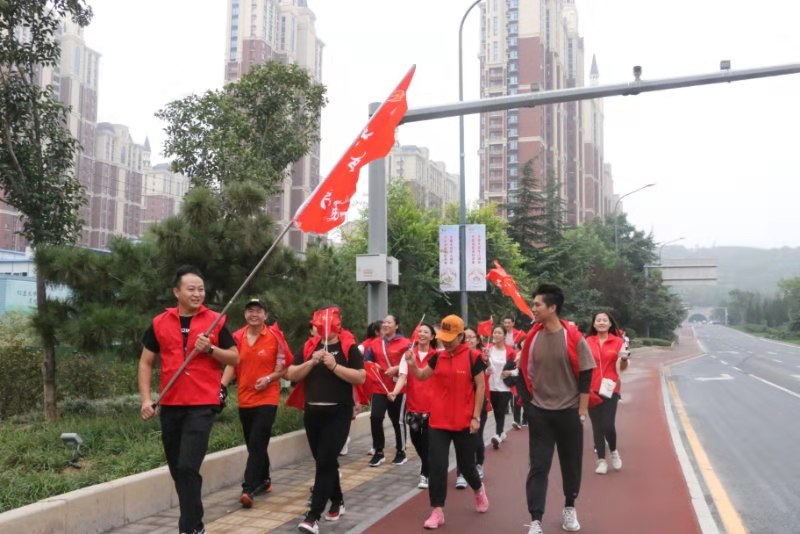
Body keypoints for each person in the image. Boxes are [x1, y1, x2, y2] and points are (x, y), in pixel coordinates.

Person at [138, 265, 239, 534]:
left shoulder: (216, 320)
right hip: (170, 405)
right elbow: (146, 362)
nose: (197, 294)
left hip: (202, 405)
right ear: (177, 292)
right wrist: (146, 399)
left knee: (187, 466)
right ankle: (195, 524)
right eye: (191, 289)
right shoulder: (160, 323)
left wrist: (211, 349)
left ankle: (190, 528)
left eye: (201, 289)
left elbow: (235, 357)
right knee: (178, 470)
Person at [519, 284, 596, 534]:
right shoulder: (532, 338)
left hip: (569, 412)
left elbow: (586, 374)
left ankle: (569, 507)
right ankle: (536, 520)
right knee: (538, 467)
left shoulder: (572, 337)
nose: (533, 308)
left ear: (552, 308)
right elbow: (522, 372)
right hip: (540, 413)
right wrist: (529, 406)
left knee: (570, 464)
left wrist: (581, 411)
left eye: (537, 305)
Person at [287, 305, 366, 534]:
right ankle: (337, 500)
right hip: (312, 413)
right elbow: (291, 374)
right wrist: (311, 362)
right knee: (326, 462)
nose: (323, 330)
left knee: (324, 462)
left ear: (337, 325)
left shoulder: (348, 346)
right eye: (319, 326)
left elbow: (360, 377)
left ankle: (313, 517)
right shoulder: (309, 346)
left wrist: (334, 366)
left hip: (339, 413)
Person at [406, 315, 489, 529]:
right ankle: (437, 510)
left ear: (461, 336)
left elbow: (480, 387)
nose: (446, 341)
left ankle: (478, 489)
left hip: (464, 422)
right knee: (437, 466)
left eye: (451, 338)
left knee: (467, 466)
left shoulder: (473, 357)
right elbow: (422, 376)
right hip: (438, 421)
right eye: (443, 337)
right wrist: (412, 364)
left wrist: (476, 417)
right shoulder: (437, 357)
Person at [222, 298, 291, 508]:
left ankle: (248, 488)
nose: (254, 314)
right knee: (254, 443)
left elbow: (283, 369)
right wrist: (222, 387)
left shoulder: (275, 337)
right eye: (250, 311)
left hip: (268, 398)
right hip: (245, 398)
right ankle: (265, 480)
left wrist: (269, 378)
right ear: (245, 315)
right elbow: (231, 365)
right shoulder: (237, 337)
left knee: (258, 441)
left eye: (258, 311)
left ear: (265, 315)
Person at [388, 322, 437, 489]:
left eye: (426, 332)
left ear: (432, 336)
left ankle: (425, 474)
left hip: (432, 407)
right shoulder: (408, 355)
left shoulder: (436, 356)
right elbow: (402, 377)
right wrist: (395, 392)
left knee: (428, 441)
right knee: (416, 440)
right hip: (414, 405)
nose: (422, 334)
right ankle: (429, 463)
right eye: (420, 331)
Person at [585, 311, 630, 475]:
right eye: (598, 320)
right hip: (591, 388)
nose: (602, 322)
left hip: (611, 388)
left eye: (605, 320)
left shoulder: (618, 342)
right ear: (594, 324)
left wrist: (624, 359)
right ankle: (601, 461)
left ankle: (614, 451)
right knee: (597, 426)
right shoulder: (587, 341)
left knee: (608, 424)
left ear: (610, 324)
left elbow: (622, 369)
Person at [363, 314, 410, 467]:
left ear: (396, 326)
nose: (386, 324)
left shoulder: (405, 343)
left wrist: (396, 368)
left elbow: (411, 362)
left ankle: (401, 451)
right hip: (379, 386)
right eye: (384, 322)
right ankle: (378, 452)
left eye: (389, 322)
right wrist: (372, 365)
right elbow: (367, 360)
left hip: (399, 388)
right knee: (375, 417)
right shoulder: (375, 343)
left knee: (398, 421)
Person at [454, 327, 490, 489]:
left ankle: (478, 463)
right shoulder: (455, 355)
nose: (468, 340)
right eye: (465, 337)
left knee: (476, 438)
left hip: (478, 404)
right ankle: (461, 473)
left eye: (471, 337)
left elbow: (488, 374)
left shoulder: (481, 356)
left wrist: (487, 361)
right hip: (460, 404)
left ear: (477, 339)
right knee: (461, 441)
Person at [487, 325, 517, 449]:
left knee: (501, 410)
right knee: (496, 410)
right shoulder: (488, 349)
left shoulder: (510, 351)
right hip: (491, 385)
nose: (496, 335)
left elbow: (518, 370)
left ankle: (498, 435)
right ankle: (501, 432)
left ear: (504, 335)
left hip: (505, 386)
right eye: (495, 332)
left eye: (499, 333)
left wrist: (509, 372)